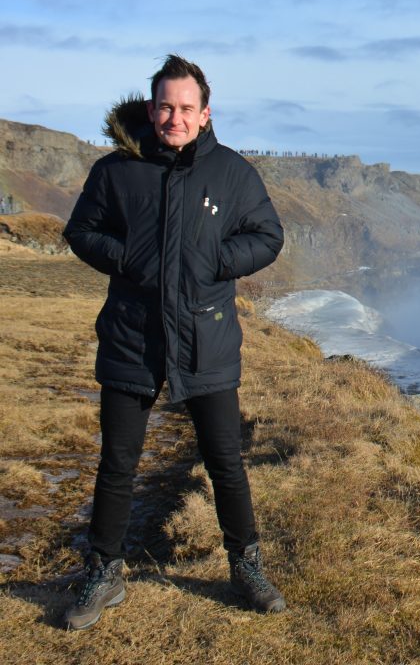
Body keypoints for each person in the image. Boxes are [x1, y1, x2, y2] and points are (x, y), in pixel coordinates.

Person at [62, 55, 286, 630]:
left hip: (205, 338)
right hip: (131, 338)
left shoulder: (233, 173)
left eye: (187, 108)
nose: (175, 117)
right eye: (165, 106)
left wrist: (219, 259)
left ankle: (246, 566)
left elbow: (267, 235)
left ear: (205, 113)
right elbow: (81, 232)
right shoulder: (115, 171)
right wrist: (125, 257)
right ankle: (104, 572)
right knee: (117, 462)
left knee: (225, 462)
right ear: (151, 106)